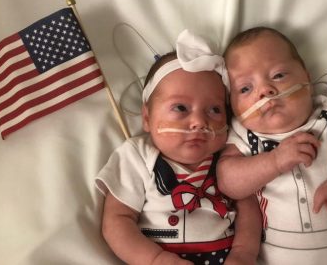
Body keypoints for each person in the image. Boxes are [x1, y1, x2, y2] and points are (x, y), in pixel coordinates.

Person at [216, 27, 327, 264]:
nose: (265, 91)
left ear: (307, 78)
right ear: (232, 105)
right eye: (245, 89)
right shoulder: (244, 133)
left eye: (278, 75)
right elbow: (228, 182)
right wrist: (275, 161)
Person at [96, 30, 262, 265]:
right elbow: (116, 221)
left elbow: (248, 208)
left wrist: (244, 253)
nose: (199, 122)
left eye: (214, 110)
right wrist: (156, 259)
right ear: (147, 118)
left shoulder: (228, 155)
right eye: (181, 108)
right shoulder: (137, 156)